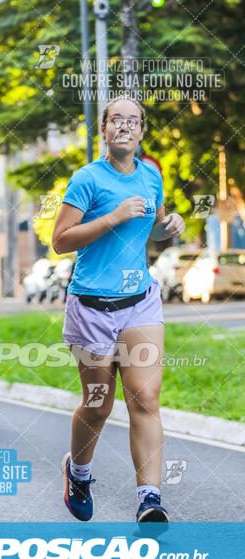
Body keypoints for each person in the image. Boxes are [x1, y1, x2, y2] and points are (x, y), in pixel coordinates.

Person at [52, 95, 185, 525]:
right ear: (104, 130)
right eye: (116, 121)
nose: (124, 127)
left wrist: (172, 226)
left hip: (139, 303)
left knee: (144, 398)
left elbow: (156, 225)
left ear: (142, 131)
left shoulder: (151, 175)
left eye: (133, 121)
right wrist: (111, 216)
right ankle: (79, 472)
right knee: (97, 404)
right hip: (91, 304)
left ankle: (150, 498)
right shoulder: (87, 179)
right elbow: (61, 240)